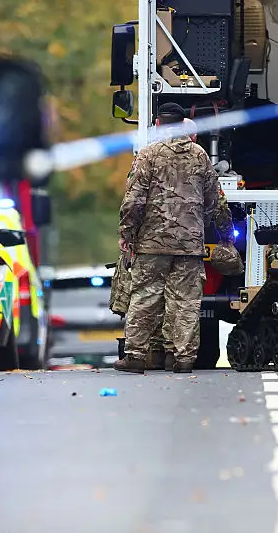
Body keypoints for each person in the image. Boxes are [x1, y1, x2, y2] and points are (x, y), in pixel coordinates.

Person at [115, 103, 230, 373]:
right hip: (189, 244)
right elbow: (213, 199)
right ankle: (182, 358)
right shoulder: (200, 156)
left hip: (152, 244)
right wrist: (195, 223)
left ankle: (135, 357)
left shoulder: (149, 155)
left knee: (145, 296)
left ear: (157, 124)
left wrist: (127, 233)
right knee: (186, 301)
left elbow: (133, 201)